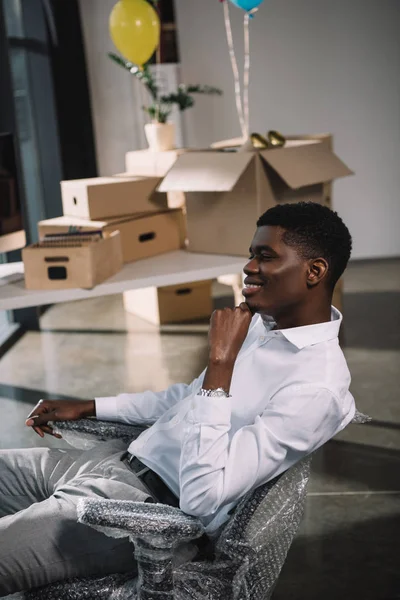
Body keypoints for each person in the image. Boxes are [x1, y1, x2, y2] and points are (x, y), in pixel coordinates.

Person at [0, 201, 355, 596]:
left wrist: (221, 362)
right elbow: (184, 399)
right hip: (111, 463)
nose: (249, 267)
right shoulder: (261, 326)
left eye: (265, 257)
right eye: (251, 255)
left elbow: (203, 497)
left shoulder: (315, 389)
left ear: (315, 271)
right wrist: (91, 405)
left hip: (138, 515)